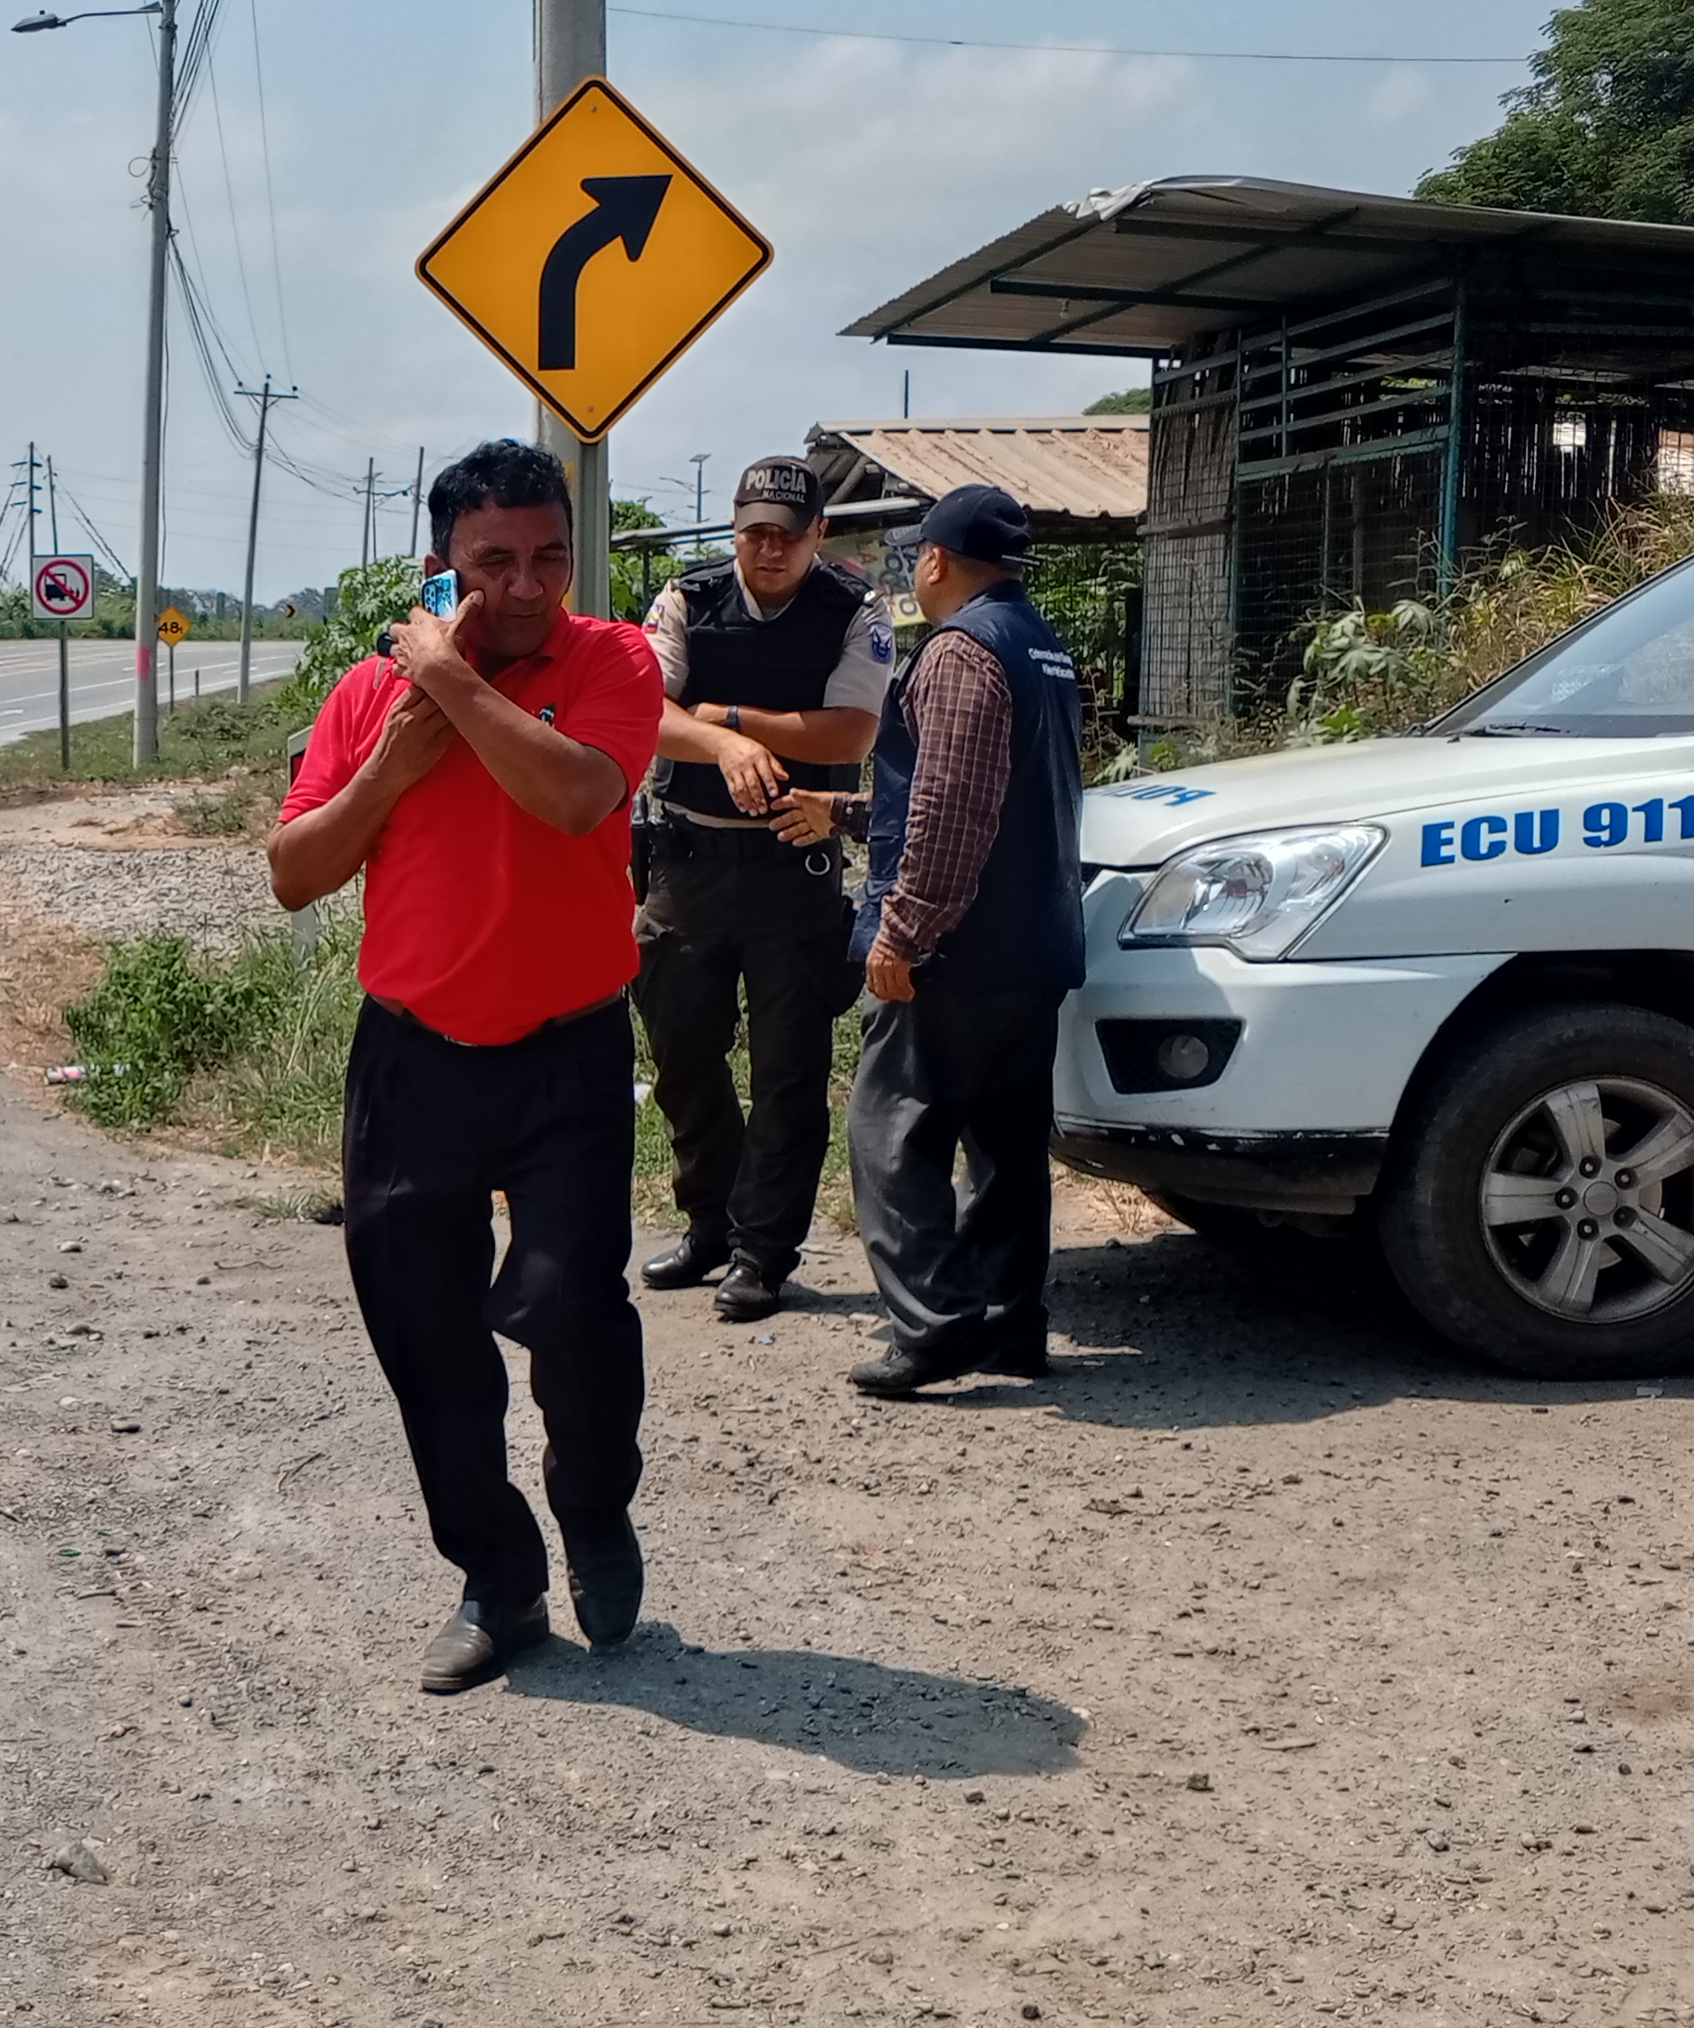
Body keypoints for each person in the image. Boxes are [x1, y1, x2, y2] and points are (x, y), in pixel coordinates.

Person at [270, 439, 663, 1694]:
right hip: (411, 1060)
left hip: (566, 1053)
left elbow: (575, 797)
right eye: (493, 561)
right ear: (441, 561)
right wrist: (395, 756)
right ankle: (499, 1580)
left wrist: (444, 671)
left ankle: (592, 1511)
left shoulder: (612, 660)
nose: (525, 585)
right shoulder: (362, 699)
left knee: (570, 1310)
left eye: (549, 556)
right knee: (424, 1332)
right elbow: (294, 874)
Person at [799, 482, 1084, 1396]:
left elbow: (955, 808)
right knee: (1005, 1147)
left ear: (932, 560)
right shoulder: (1041, 644)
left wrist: (904, 930)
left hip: (956, 950)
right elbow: (986, 790)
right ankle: (1007, 1322)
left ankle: (936, 1322)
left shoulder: (961, 649)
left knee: (890, 1130)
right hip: (1034, 944)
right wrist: (849, 810)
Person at [632, 454, 892, 1321]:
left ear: (819, 534)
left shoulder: (854, 608)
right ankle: (710, 1224)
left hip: (793, 871)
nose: (768, 550)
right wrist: (726, 746)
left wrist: (731, 715)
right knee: (681, 1054)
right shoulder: (687, 598)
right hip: (688, 863)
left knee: (788, 1073)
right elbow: (645, 711)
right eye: (753, 533)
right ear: (734, 530)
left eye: (786, 535)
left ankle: (762, 1253)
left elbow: (851, 732)